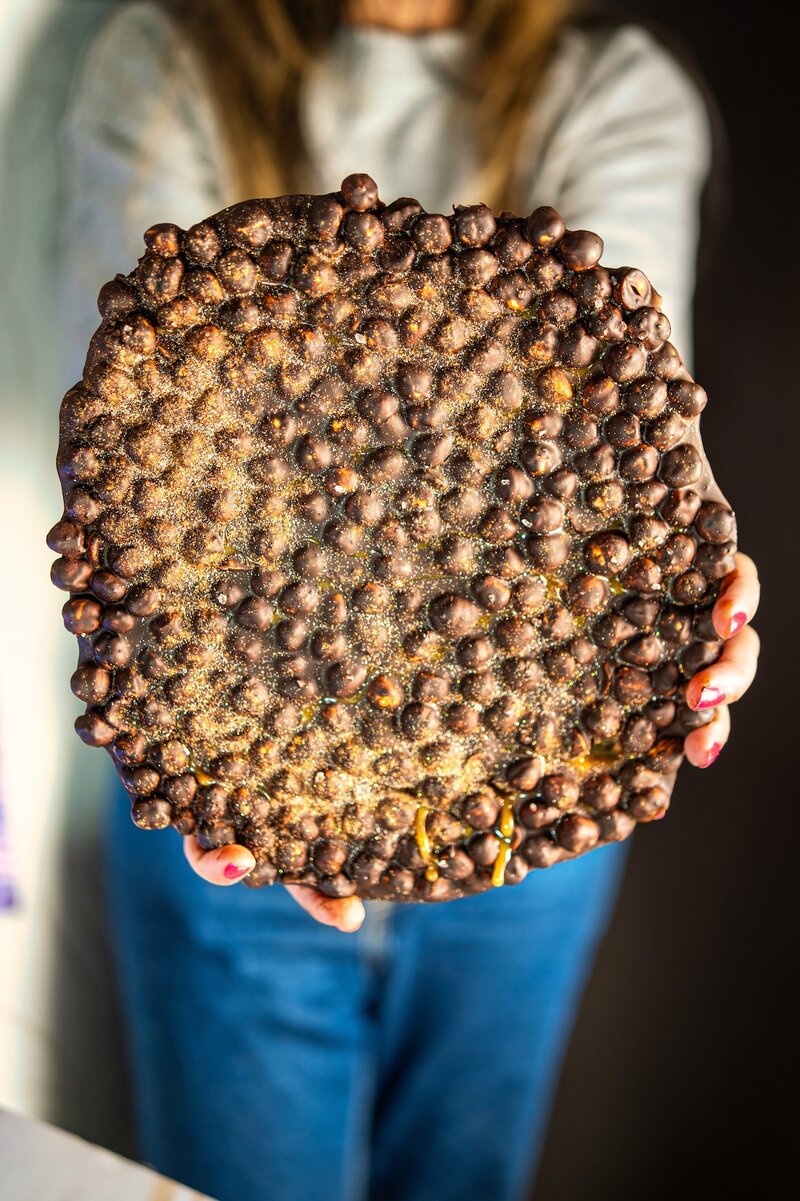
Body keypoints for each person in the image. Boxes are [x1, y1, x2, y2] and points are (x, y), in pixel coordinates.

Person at [60, 2, 761, 1199]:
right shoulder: (162, 58)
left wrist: (695, 553)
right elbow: (141, 407)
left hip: (534, 781)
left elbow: (631, 385)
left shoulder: (615, 88)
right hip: (229, 791)